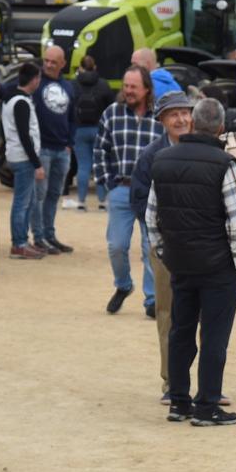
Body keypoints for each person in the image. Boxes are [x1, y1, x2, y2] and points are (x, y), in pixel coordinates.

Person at [149, 96, 236, 425]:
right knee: (214, 335)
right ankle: (207, 405)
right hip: (218, 264)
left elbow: (151, 217)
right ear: (221, 127)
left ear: (192, 122)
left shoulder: (162, 160)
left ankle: (178, 401)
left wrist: (167, 252)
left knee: (181, 331)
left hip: (180, 261)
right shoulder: (225, 163)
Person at [136, 93, 201, 400]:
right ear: (161, 120)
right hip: (165, 246)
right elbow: (140, 199)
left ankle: (207, 384)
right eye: (173, 114)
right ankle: (171, 382)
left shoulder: (204, 150)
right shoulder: (151, 155)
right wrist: (159, 236)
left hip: (202, 246)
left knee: (206, 316)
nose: (181, 119)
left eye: (185, 113)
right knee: (168, 315)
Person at [97, 67, 164, 313]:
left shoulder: (160, 118)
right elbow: (100, 149)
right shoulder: (111, 114)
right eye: (125, 86)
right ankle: (123, 285)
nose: (128, 91)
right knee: (117, 245)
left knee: (151, 248)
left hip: (151, 192)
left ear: (147, 88)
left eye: (133, 86)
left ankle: (151, 299)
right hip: (121, 188)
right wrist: (107, 183)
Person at [33, 45, 77, 254]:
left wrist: (70, 142)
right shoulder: (35, 82)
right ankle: (38, 237)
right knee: (39, 195)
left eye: (53, 62)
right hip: (42, 149)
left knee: (54, 195)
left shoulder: (68, 87)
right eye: (46, 60)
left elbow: (72, 116)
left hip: (62, 149)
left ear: (63, 64)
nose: (49, 65)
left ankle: (49, 235)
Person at [2, 60, 47, 260]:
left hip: (16, 155)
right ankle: (19, 243)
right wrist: (36, 162)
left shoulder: (13, 99)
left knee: (25, 201)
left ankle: (22, 240)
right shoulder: (21, 102)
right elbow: (24, 135)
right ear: (35, 79)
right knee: (22, 202)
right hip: (23, 158)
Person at [70, 55, 115, 211]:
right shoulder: (103, 84)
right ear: (95, 67)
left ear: (80, 68)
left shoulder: (74, 84)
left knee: (83, 166)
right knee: (100, 165)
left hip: (79, 129)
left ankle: (81, 201)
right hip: (99, 129)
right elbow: (111, 107)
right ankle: (102, 201)